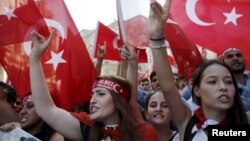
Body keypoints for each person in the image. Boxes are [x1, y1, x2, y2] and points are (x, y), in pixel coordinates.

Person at [28, 30, 159, 141]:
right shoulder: (87, 128)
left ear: (118, 101)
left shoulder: (143, 134)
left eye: (101, 94)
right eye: (92, 94)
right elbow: (46, 109)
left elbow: (131, 97)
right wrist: (34, 60)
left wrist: (132, 64)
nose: (93, 100)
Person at [148, 0, 248, 141]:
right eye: (212, 81)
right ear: (196, 90)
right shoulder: (187, 122)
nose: (223, 87)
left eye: (229, 82)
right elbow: (168, 86)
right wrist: (157, 36)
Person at [0, 92, 64, 141]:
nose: (22, 112)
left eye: (30, 106)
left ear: (45, 110)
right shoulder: (12, 129)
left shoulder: (57, 137)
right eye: (22, 107)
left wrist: (20, 134)